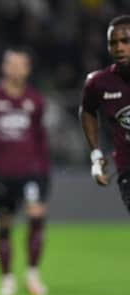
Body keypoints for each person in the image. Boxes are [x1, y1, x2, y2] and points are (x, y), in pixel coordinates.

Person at [0, 48, 50, 295]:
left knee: (36, 216)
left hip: (31, 172)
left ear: (27, 69)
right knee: (5, 225)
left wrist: (43, 169)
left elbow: (41, 137)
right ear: (5, 68)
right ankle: (7, 279)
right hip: (3, 174)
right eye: (12, 64)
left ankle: (32, 274)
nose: (17, 69)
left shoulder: (35, 99)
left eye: (22, 65)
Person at [80, 15, 130, 214]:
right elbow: (87, 111)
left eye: (126, 41)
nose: (119, 48)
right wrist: (96, 155)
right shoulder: (98, 82)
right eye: (113, 43)